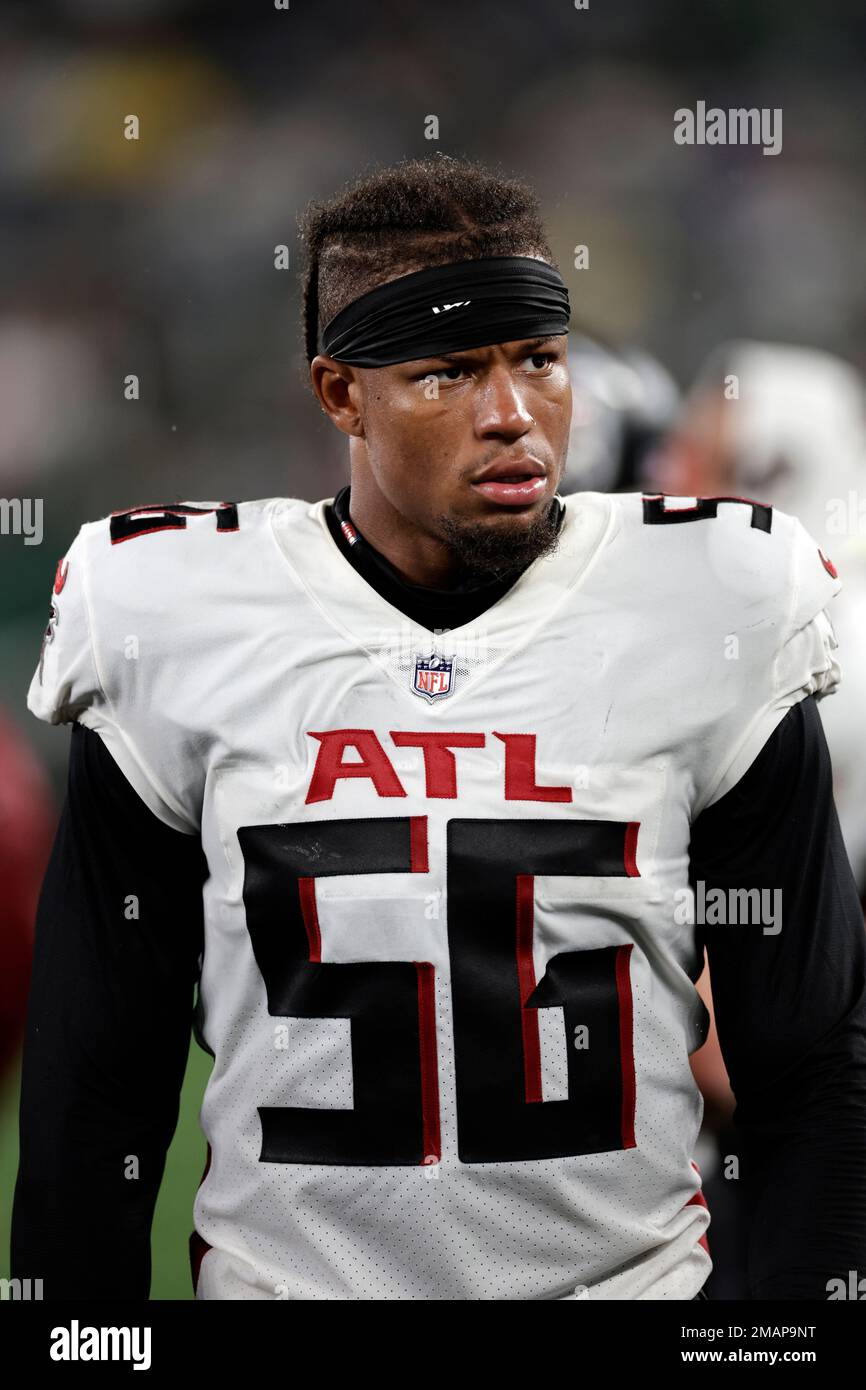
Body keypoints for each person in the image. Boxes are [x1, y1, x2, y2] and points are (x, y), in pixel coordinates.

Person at [12, 156, 866, 1301]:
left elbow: (809, 1064)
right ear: (338, 393)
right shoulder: (173, 613)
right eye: (447, 372)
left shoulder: (713, 595)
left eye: (538, 360)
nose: (513, 413)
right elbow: (94, 1082)